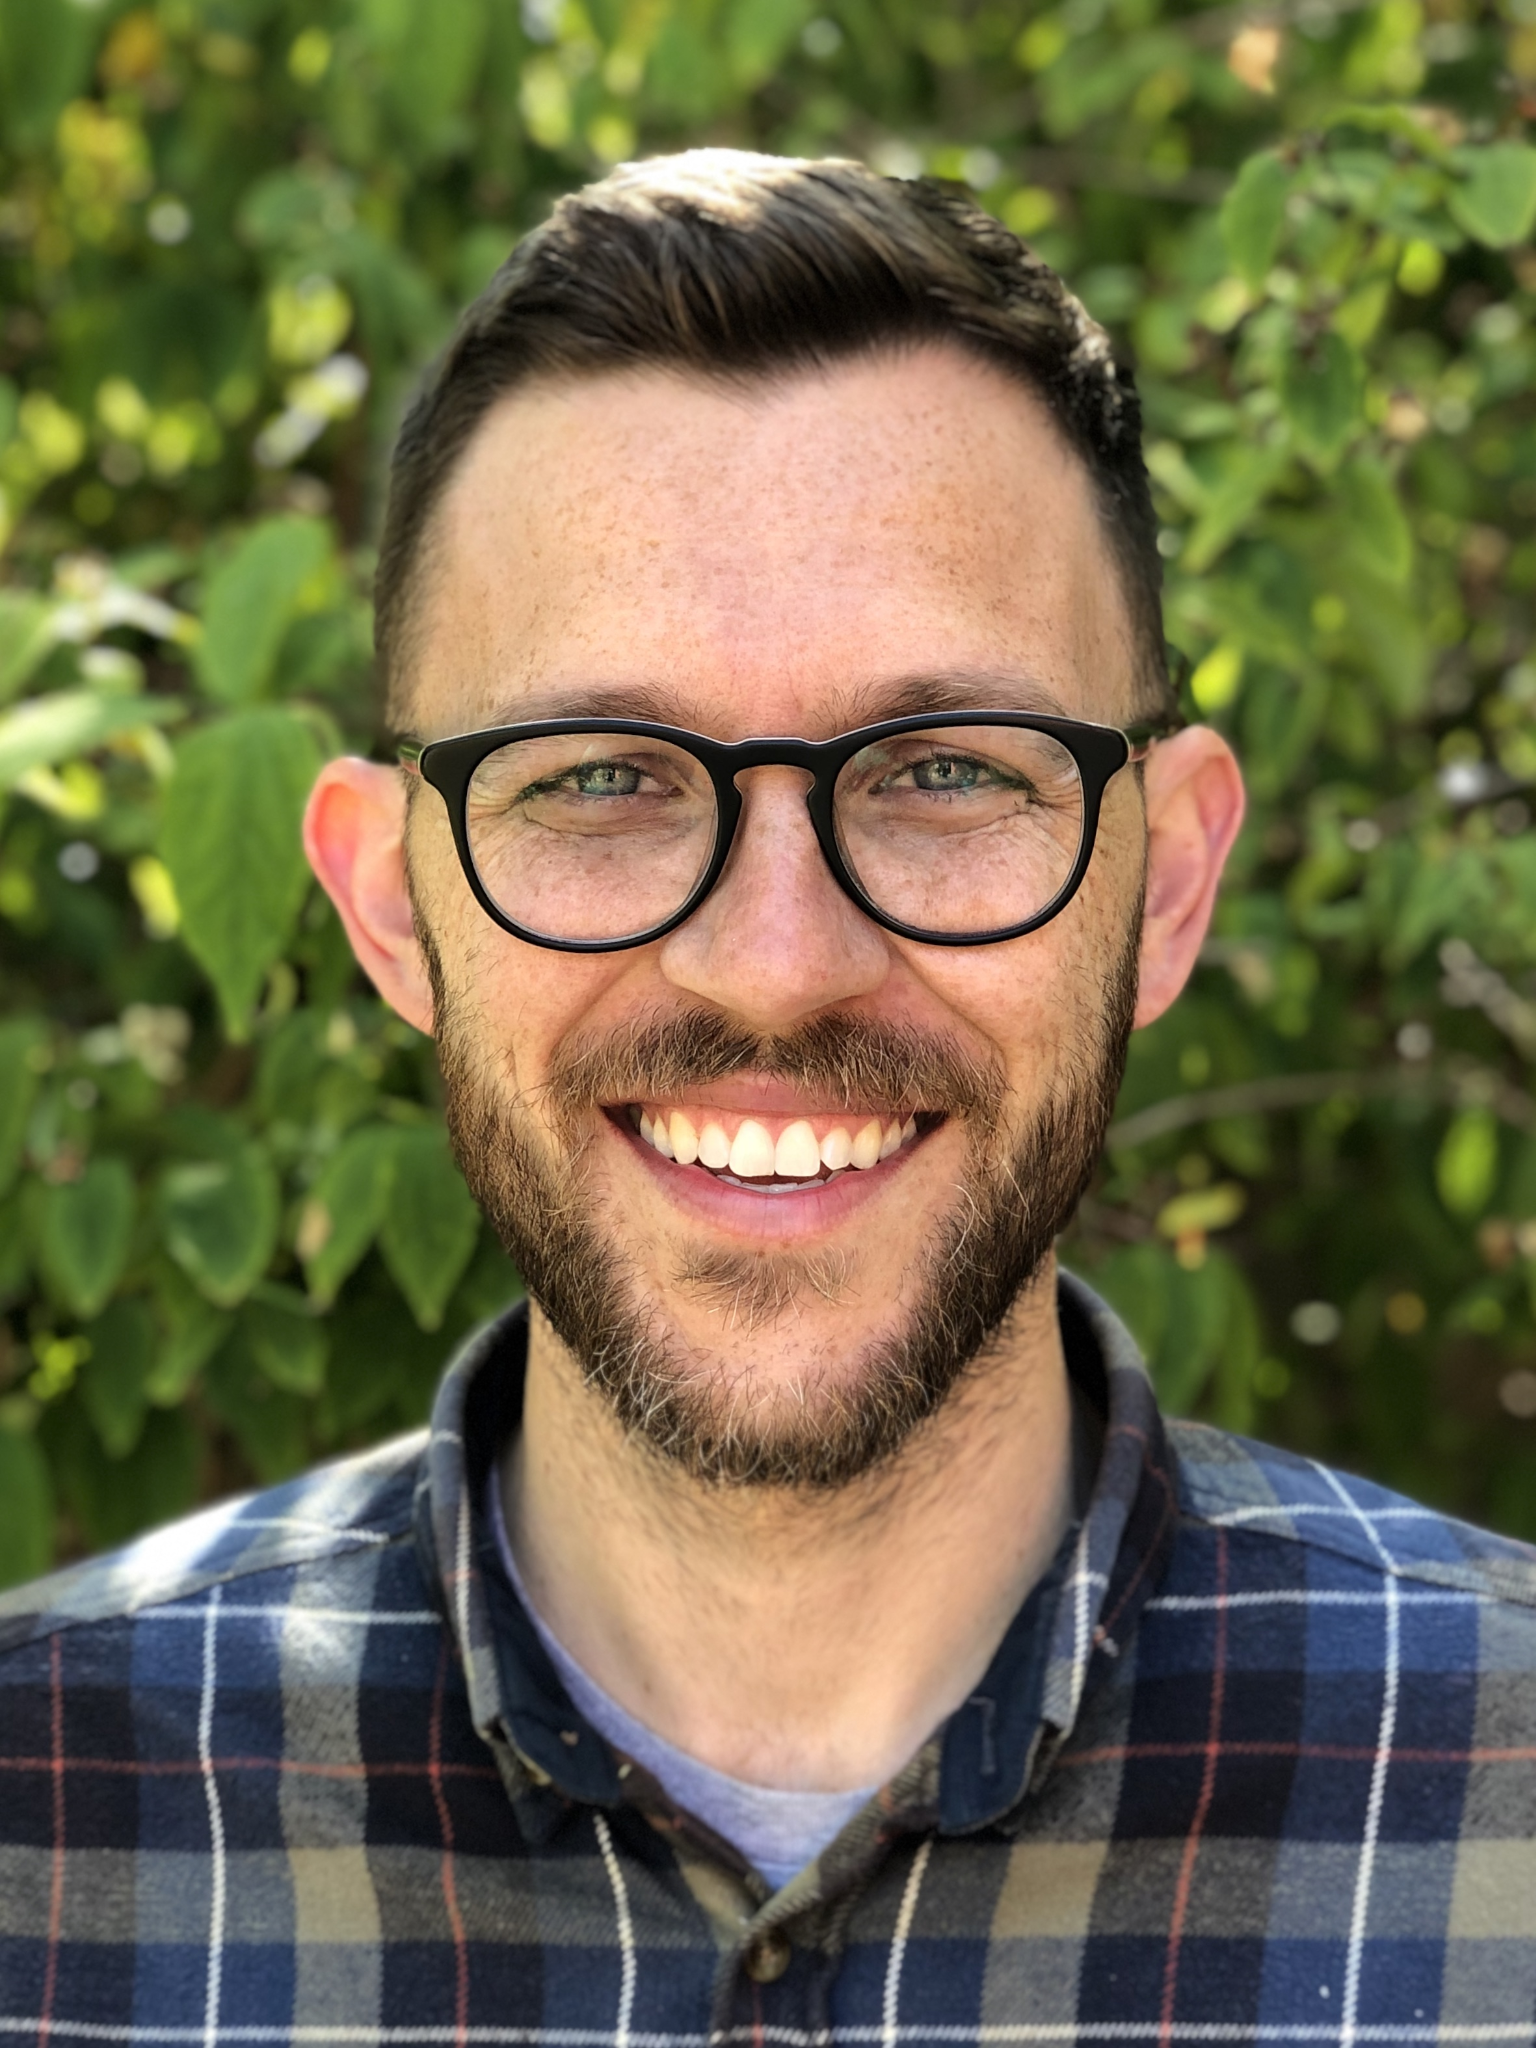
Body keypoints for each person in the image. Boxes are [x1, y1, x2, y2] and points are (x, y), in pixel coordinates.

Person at [3, 150, 1535, 2042]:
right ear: (392, 906)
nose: (777, 964)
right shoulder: (39, 1825)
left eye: (948, 770)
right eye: (600, 778)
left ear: (1166, 884)